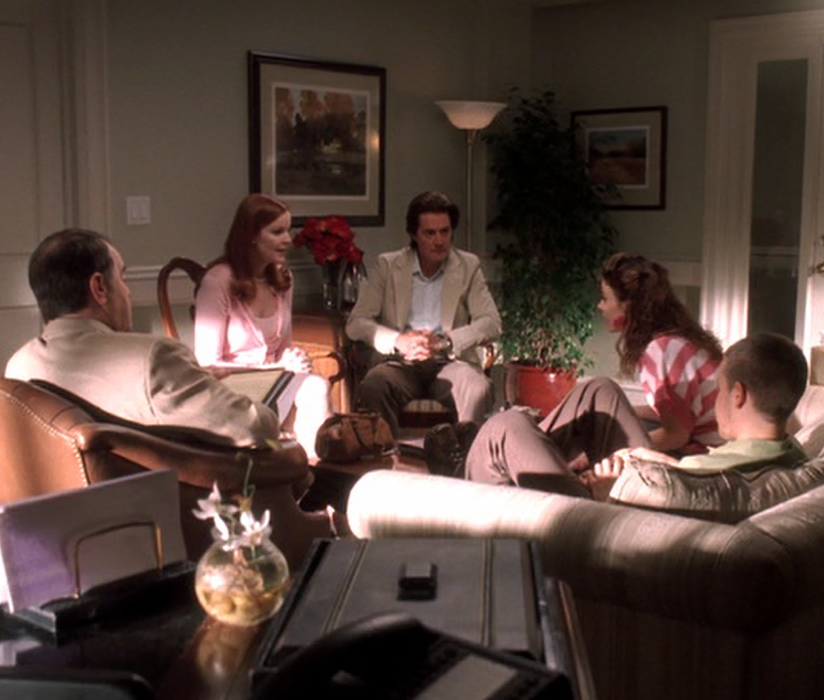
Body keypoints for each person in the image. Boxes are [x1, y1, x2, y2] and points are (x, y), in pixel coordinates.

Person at [4, 227, 348, 533]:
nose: (128, 292)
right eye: (122, 277)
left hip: (82, 529)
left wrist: (193, 379)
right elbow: (255, 428)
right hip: (189, 526)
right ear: (99, 288)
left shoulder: (19, 367)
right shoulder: (150, 357)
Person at [462, 252, 724, 492]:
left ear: (629, 306)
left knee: (511, 424)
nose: (600, 306)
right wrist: (625, 412)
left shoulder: (662, 351)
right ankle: (510, 444)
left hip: (688, 457)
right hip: (690, 448)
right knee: (600, 389)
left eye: (605, 299)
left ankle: (493, 450)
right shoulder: (676, 343)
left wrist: (616, 455)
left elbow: (677, 434)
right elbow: (675, 411)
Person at [345, 191, 502, 438]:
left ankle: (466, 456)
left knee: (478, 387)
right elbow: (356, 323)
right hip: (400, 362)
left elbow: (492, 322)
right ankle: (387, 454)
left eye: (445, 232)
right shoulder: (388, 265)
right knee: (374, 385)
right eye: (430, 233)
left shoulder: (468, 266)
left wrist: (445, 341)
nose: (439, 240)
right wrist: (399, 340)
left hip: (449, 360)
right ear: (414, 235)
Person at [194, 194, 331, 459]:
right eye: (277, 232)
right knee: (307, 398)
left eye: (288, 230)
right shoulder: (218, 281)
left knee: (316, 387)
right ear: (252, 236)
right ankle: (298, 466)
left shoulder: (282, 278)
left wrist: (293, 359)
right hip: (231, 389)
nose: (288, 240)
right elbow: (207, 365)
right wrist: (277, 368)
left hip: (275, 381)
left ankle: (313, 467)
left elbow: (283, 350)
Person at [593, 332, 808, 480]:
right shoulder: (797, 456)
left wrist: (606, 488)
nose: (716, 399)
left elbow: (695, 475)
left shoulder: (700, 473)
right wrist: (670, 463)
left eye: (719, 389)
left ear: (738, 395)